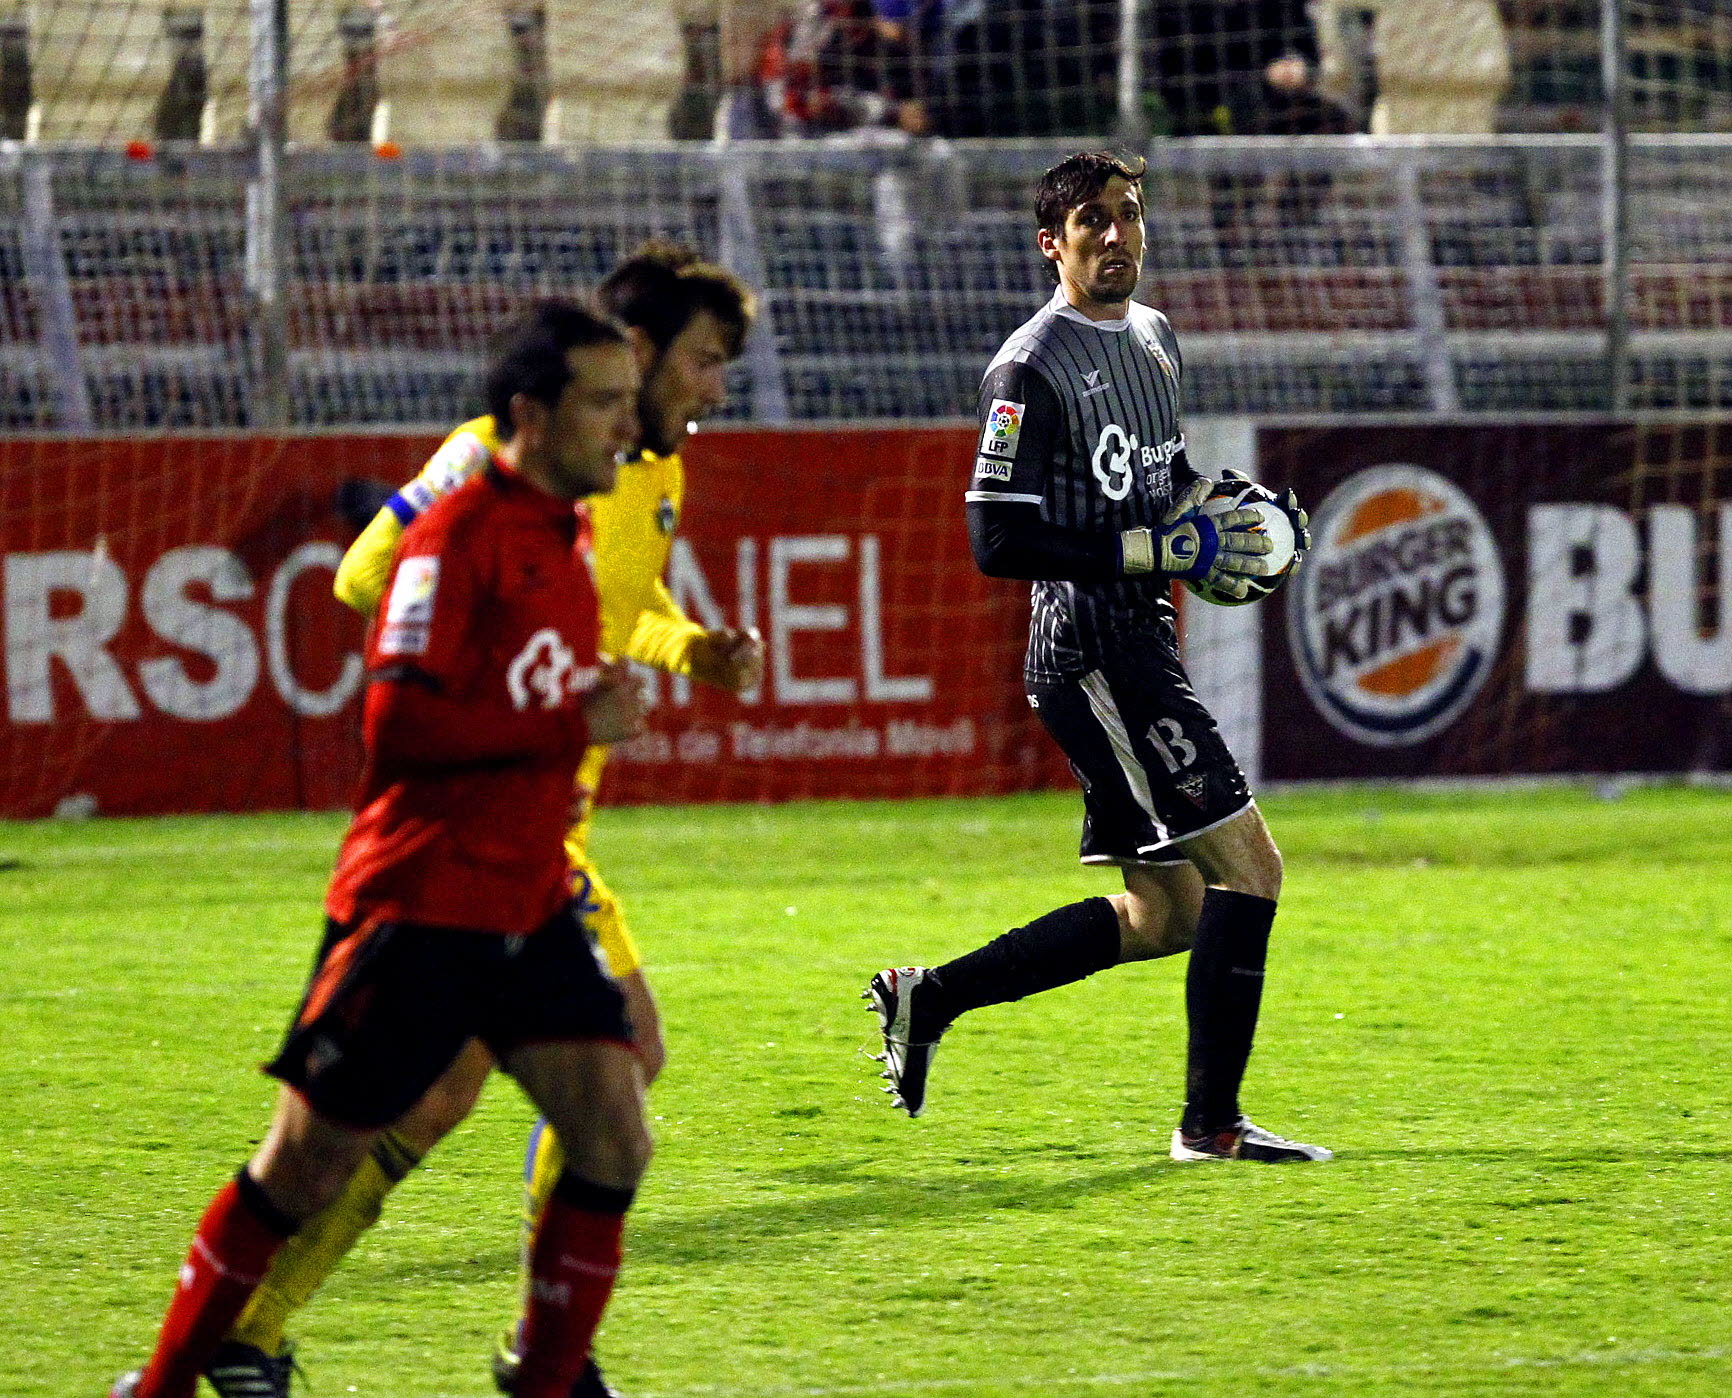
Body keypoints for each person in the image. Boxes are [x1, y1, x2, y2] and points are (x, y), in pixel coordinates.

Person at [201, 242, 762, 1398]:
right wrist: (502, 658)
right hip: (485, 830)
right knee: (614, 1068)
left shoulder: (649, 475)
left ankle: (254, 1331)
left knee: (442, 1097)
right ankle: (543, 1351)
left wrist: (690, 647)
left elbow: (630, 602)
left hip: (551, 820)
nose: (716, 388)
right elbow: (365, 574)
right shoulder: (484, 463)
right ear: (639, 355)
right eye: (704, 363)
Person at [113, 299, 653, 1398]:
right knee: (302, 1166)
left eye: (628, 403)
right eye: (603, 403)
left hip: (528, 903)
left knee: (612, 1132)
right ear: (530, 415)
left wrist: (578, 700)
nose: (624, 427)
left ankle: (544, 1384)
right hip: (419, 907)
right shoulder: (453, 535)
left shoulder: (571, 531)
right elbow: (397, 724)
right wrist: (567, 724)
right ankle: (160, 1385)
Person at [865, 150, 1332, 1165]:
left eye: (1127, 215)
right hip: (1094, 649)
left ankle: (926, 998)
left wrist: (1232, 524)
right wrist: (1153, 550)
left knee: (1167, 913)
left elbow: (1158, 491)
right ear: (1053, 243)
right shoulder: (1028, 365)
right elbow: (996, 543)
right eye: (1091, 221)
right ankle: (1208, 1127)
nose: (1114, 235)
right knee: (1251, 870)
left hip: (1136, 640)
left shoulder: (1156, 337)